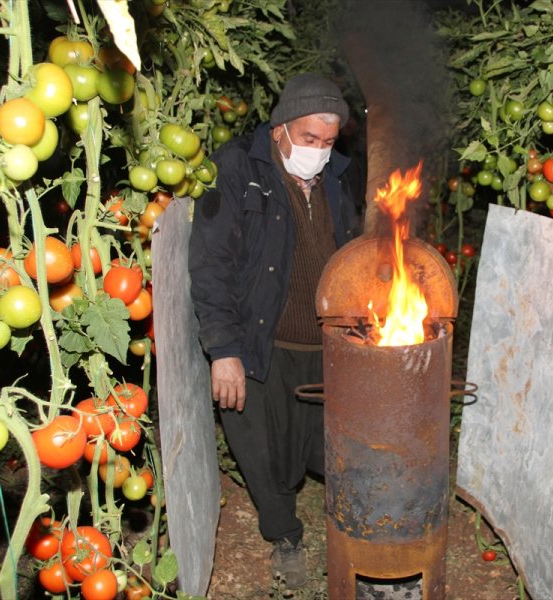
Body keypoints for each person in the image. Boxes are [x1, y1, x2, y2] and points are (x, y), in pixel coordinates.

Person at [187, 73, 361, 589]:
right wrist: (223, 349)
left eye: (329, 143)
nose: (320, 152)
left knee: (320, 441)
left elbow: (349, 252)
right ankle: (286, 536)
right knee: (263, 448)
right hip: (261, 339)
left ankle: (351, 517)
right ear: (281, 129)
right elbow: (212, 262)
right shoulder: (238, 168)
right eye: (309, 139)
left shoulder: (336, 177)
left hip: (326, 340)